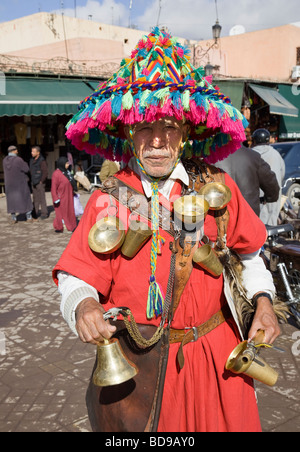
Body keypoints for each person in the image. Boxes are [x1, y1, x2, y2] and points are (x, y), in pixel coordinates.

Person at [53, 28, 286, 432]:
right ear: (128, 132)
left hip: (220, 359)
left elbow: (249, 253)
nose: (157, 141)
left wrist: (264, 299)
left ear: (185, 133)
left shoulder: (217, 185)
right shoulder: (108, 198)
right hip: (146, 368)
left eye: (169, 127)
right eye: (145, 127)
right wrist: (83, 306)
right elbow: (76, 275)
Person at [215, 144, 280, 216]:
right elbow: (270, 182)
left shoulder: (209, 158)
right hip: (249, 214)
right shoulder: (253, 156)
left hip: (220, 215)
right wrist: (269, 198)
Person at [252, 129, 285, 225]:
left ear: (255, 140)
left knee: (257, 223)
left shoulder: (250, 154)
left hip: (256, 196)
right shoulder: (276, 154)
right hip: (274, 193)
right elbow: (282, 173)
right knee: (272, 221)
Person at [3, 145, 34, 223]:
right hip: (20, 183)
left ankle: (13, 218)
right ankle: (28, 217)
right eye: (16, 150)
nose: (17, 151)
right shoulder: (18, 160)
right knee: (25, 199)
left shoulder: (4, 160)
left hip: (9, 185)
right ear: (14, 151)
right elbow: (26, 169)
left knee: (11, 201)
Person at [51, 156, 77, 233]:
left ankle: (71, 226)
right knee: (62, 213)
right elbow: (53, 188)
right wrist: (55, 198)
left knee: (70, 211)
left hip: (69, 196)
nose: (68, 164)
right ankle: (63, 226)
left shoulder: (67, 172)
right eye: (66, 163)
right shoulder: (56, 174)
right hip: (61, 197)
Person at [30, 146, 48, 219]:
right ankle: (35, 213)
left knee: (42, 198)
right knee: (35, 198)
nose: (32, 153)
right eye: (31, 151)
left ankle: (44, 213)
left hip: (40, 182)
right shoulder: (31, 160)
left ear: (38, 152)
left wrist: (41, 181)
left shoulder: (42, 160)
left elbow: (45, 172)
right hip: (34, 181)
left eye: (33, 151)